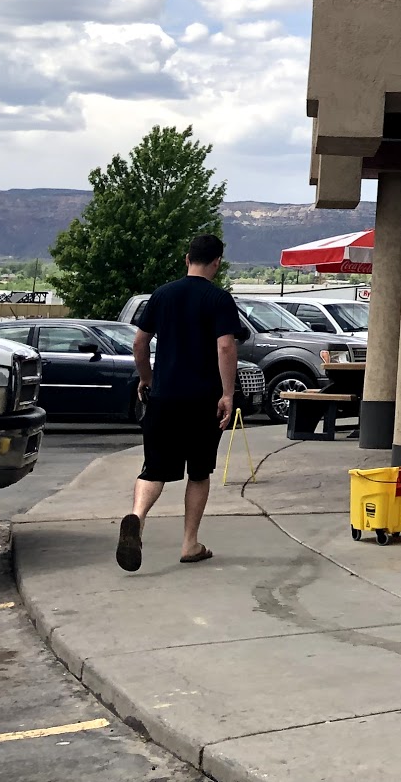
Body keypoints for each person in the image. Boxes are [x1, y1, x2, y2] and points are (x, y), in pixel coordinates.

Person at [116, 233, 242, 570]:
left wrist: (147, 379)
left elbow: (139, 343)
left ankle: (137, 516)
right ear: (217, 262)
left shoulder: (162, 295)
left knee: (154, 468)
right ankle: (190, 543)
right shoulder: (219, 299)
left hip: (164, 397)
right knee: (199, 471)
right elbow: (226, 347)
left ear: (187, 259)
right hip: (203, 400)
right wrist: (227, 393)